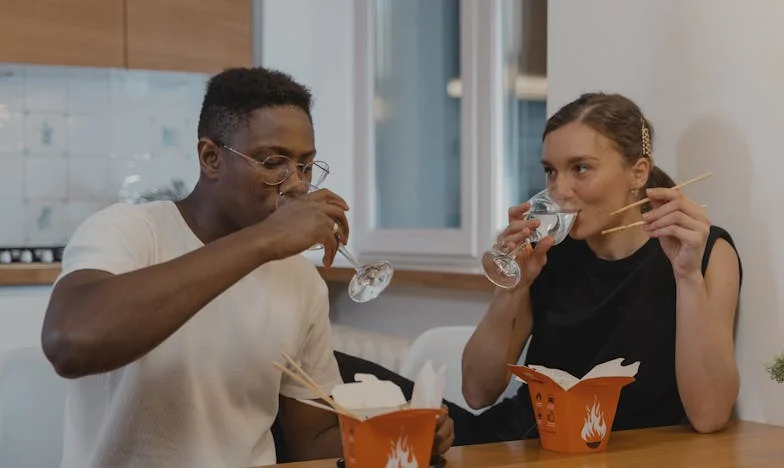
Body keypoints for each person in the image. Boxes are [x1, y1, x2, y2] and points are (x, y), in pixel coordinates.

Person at [41, 66, 453, 468]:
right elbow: (69, 342)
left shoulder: (300, 280)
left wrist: (395, 436)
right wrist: (266, 240)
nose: (296, 184)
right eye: (274, 162)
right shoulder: (130, 232)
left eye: (306, 165)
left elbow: (312, 440)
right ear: (210, 158)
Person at [460, 92, 743, 444]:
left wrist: (686, 277)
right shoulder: (549, 253)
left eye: (580, 168)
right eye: (551, 171)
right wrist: (512, 285)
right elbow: (476, 392)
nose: (558, 191)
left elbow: (710, 414)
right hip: (526, 444)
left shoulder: (702, 253)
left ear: (637, 173)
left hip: (618, 452)